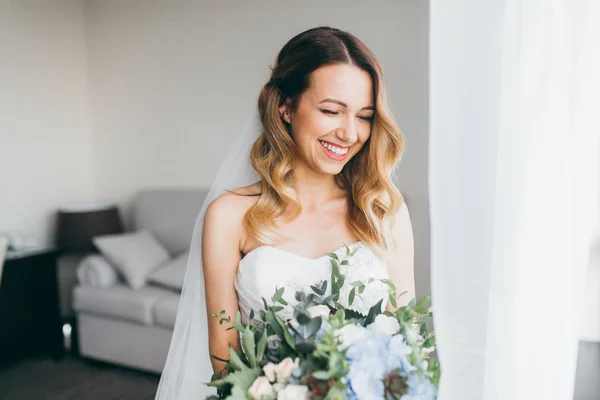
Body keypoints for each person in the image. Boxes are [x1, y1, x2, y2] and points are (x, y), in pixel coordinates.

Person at [155, 26, 415, 399]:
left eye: (364, 116)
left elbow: (405, 339)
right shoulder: (229, 216)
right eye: (331, 110)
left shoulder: (384, 210)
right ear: (286, 107)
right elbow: (225, 356)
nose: (349, 132)